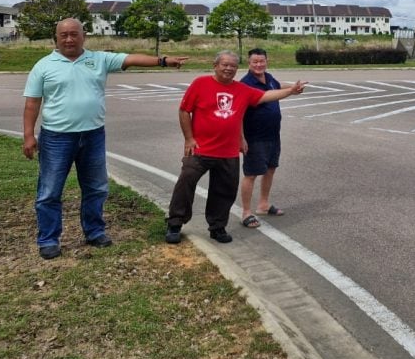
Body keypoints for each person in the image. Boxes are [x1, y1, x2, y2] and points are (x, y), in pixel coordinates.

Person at [22, 17, 187, 260]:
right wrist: (28, 135)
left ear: (83, 36)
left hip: (92, 135)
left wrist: (162, 61)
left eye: (74, 34)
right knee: (49, 191)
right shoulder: (44, 66)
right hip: (56, 138)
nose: (69, 39)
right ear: (56, 38)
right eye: (63, 35)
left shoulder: (98, 59)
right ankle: (48, 239)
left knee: (96, 188)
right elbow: (32, 103)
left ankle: (94, 231)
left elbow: (130, 59)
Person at [165, 51, 306, 245]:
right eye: (225, 64)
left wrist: (290, 91)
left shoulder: (242, 89)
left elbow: (266, 95)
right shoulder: (200, 83)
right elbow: (184, 110)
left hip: (228, 151)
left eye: (232, 66)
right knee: (185, 183)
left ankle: (217, 227)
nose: (229, 68)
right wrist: (189, 139)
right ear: (215, 66)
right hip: (200, 149)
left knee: (224, 191)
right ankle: (175, 223)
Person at [238, 48, 287, 229]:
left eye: (262, 61)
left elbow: (278, 87)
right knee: (251, 174)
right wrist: (240, 138)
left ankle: (264, 204)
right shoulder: (246, 84)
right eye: (255, 62)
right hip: (254, 137)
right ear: (248, 63)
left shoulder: (269, 78)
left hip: (273, 134)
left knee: (270, 169)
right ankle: (246, 212)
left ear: (267, 61)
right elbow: (239, 114)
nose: (259, 65)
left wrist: (293, 87)